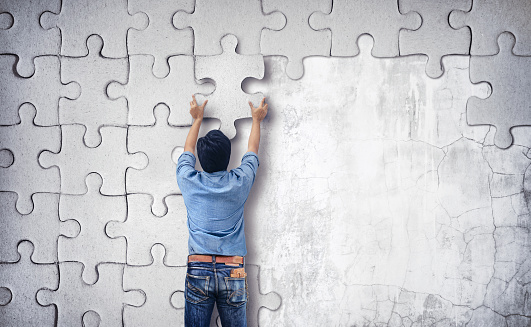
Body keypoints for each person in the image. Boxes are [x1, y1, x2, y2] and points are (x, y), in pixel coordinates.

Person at [176, 95, 268, 327]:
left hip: (198, 268)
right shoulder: (239, 181)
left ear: (201, 159)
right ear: (229, 158)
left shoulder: (188, 180)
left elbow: (187, 150)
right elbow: (252, 150)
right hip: (233, 270)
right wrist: (256, 120)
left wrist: (197, 119)